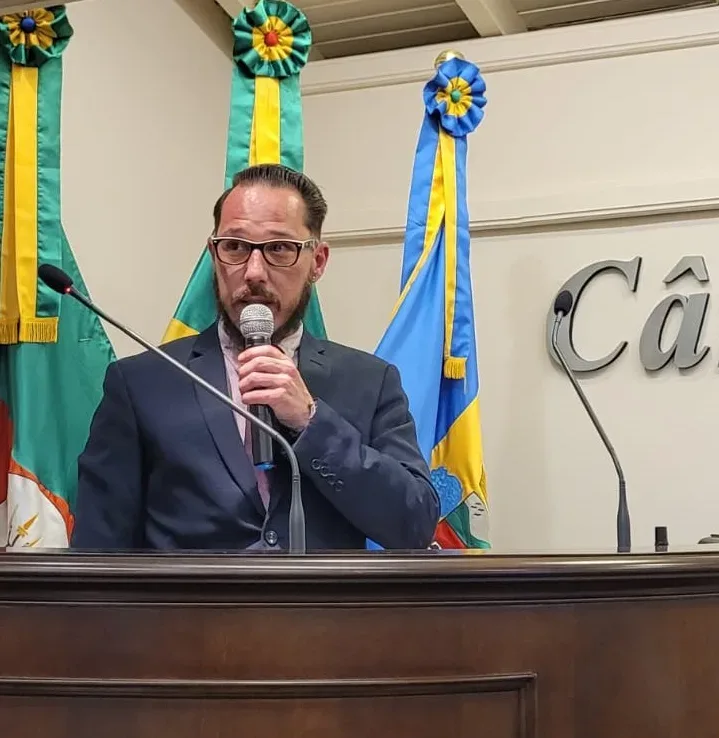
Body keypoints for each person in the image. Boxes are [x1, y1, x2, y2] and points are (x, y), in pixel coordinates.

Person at [72, 164, 440, 551]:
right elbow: (98, 551)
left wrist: (311, 421)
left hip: (321, 594)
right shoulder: (141, 384)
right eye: (235, 247)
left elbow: (413, 526)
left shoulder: (370, 381)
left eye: (279, 249)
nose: (253, 272)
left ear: (317, 261)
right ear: (213, 254)